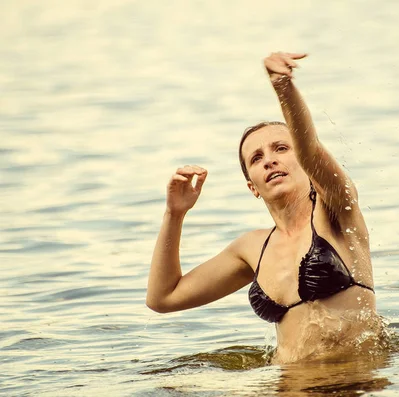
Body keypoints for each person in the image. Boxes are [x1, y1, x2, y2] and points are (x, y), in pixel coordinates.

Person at [146, 52, 384, 364]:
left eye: (282, 149)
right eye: (256, 158)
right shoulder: (252, 248)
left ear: (305, 165)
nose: (269, 159)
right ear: (252, 187)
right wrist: (174, 214)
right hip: (283, 386)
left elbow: (310, 148)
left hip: (349, 382)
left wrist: (283, 87)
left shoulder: (337, 210)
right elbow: (163, 298)